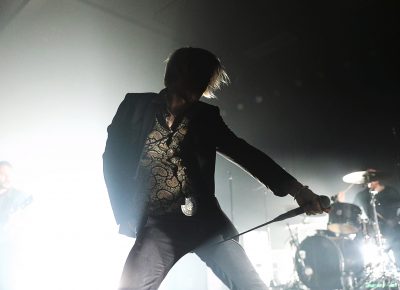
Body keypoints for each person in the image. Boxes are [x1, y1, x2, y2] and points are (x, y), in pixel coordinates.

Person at [103, 47, 329, 290]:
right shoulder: (134, 106)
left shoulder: (206, 116)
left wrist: (298, 190)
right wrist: (127, 215)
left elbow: (245, 153)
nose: (202, 85)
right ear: (177, 73)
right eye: (197, 75)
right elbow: (112, 161)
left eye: (205, 79)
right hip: (157, 226)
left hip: (205, 223)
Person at [352, 169, 400, 270]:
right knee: (356, 242)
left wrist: (395, 219)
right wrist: (340, 203)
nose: (369, 182)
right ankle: (360, 272)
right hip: (371, 228)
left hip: (391, 227)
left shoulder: (391, 192)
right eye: (367, 180)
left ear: (377, 180)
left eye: (371, 179)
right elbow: (353, 211)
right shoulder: (362, 195)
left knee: (397, 239)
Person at [0, 161, 32, 289]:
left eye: (10, 175)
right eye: (3, 174)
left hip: (9, 253)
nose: (8, 178)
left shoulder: (22, 198)